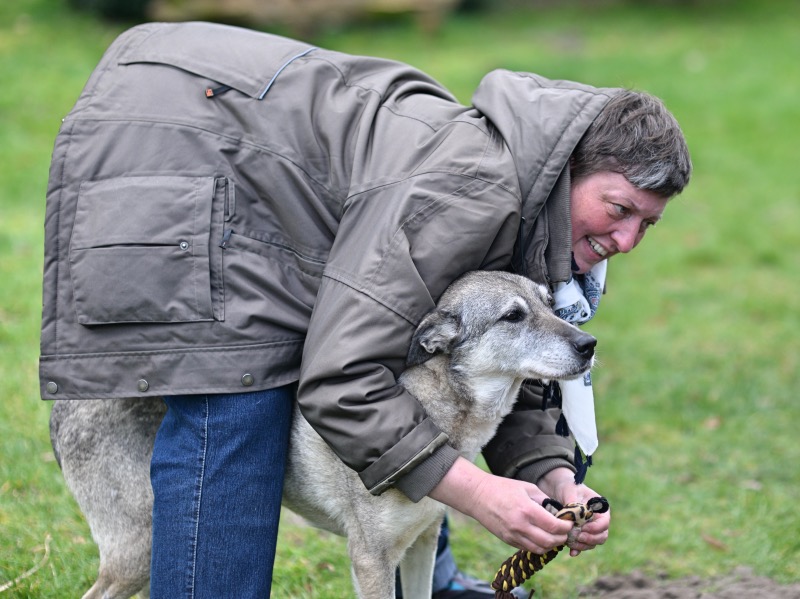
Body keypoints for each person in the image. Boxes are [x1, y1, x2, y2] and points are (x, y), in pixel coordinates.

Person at [39, 21, 690, 599]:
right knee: (238, 403)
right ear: (571, 169)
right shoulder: (464, 194)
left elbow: (488, 355)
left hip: (213, 133)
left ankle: (433, 578)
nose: (627, 241)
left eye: (648, 224)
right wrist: (475, 491)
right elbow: (342, 377)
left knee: (411, 396)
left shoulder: (527, 203)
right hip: (167, 142)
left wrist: (549, 473)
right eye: (618, 209)